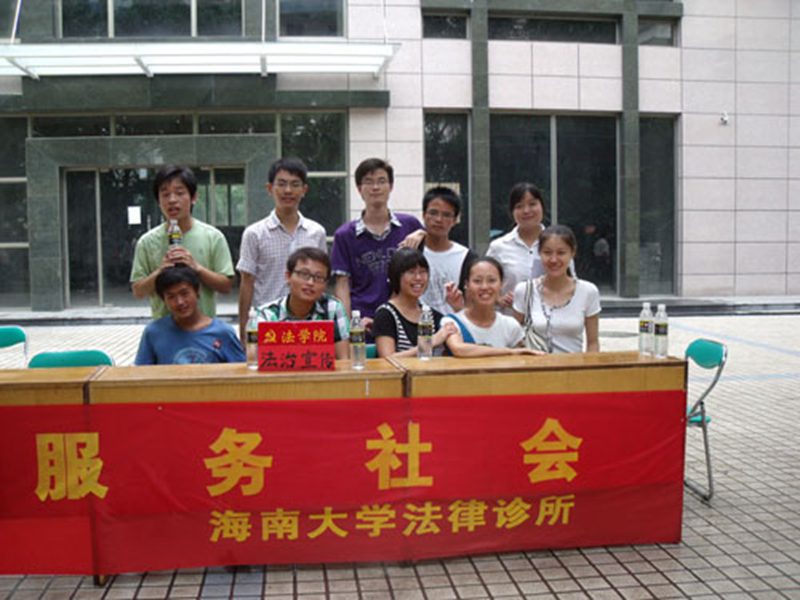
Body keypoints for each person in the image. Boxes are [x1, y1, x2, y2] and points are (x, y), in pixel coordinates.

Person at [237, 157, 327, 341]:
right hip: (268, 325)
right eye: (282, 184)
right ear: (270, 188)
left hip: (309, 325)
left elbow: (320, 279)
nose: (288, 190)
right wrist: (244, 332)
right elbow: (246, 284)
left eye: (295, 184)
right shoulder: (254, 234)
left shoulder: (316, 232)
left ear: (304, 190)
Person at [331, 158, 423, 332]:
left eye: (381, 181)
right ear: (359, 188)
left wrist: (422, 233)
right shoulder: (345, 235)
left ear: (391, 186)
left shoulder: (410, 226)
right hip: (362, 320)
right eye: (368, 182)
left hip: (402, 319)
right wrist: (350, 326)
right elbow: (342, 285)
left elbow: (436, 244)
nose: (375, 187)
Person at [131, 165, 234, 319]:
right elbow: (138, 291)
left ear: (193, 197)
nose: (172, 200)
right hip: (163, 329)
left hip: (204, 328)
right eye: (165, 194)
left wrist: (197, 268)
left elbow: (226, 286)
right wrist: (160, 271)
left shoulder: (213, 237)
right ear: (158, 201)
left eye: (179, 193)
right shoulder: (147, 242)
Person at [512, 225, 600, 353]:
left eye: (561, 253)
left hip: (573, 364)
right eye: (547, 253)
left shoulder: (588, 292)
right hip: (535, 364)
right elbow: (514, 339)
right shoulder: (524, 290)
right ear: (539, 253)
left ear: (572, 253)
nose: (553, 260)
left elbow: (593, 343)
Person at [135, 265, 245, 365]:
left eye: (184, 293)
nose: (180, 302)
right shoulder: (154, 333)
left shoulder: (223, 333)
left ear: (197, 292)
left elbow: (241, 373)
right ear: (163, 299)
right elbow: (141, 374)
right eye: (171, 297)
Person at [256, 247, 350, 360]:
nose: (310, 282)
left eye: (318, 277)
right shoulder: (267, 315)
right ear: (288, 276)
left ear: (325, 284)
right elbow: (255, 360)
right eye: (304, 274)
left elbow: (344, 360)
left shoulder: (333, 308)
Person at [442, 257, 542, 358]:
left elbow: (521, 360)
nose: (484, 287)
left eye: (492, 280)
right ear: (467, 284)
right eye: (477, 281)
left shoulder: (510, 325)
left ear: (501, 284)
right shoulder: (452, 322)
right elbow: (458, 349)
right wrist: (510, 352)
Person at [372, 248, 457, 358]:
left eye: (423, 272)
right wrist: (429, 343)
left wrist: (457, 307)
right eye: (411, 272)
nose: (418, 278)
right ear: (396, 276)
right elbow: (387, 359)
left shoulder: (431, 315)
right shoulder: (385, 314)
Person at [411, 186, 477, 315]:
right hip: (414, 324)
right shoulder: (412, 251)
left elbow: (472, 302)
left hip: (453, 324)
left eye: (446, 215)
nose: (439, 220)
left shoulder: (467, 258)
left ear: (455, 220)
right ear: (423, 215)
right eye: (433, 213)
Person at [486, 183, 550, 311]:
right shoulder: (499, 247)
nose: (526, 211)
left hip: (551, 319)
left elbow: (571, 283)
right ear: (512, 212)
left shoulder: (557, 243)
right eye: (519, 206)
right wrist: (498, 299)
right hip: (510, 319)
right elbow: (484, 283)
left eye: (532, 204)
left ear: (542, 206)